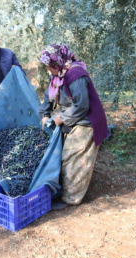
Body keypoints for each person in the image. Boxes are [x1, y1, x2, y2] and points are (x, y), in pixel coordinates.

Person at [38, 43, 109, 211]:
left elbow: (82, 105)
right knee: (63, 154)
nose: (48, 69)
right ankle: (66, 186)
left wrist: (61, 118)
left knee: (72, 156)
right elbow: (47, 100)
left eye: (49, 65)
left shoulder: (75, 74)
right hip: (74, 118)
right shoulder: (56, 76)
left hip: (88, 120)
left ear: (57, 62)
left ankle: (71, 198)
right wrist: (45, 115)